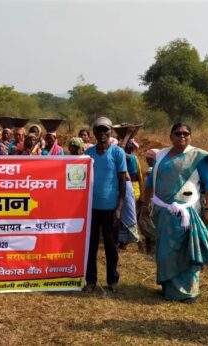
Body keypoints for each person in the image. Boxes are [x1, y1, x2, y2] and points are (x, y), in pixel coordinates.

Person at [140, 123, 208, 303]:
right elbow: (150, 183)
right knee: (165, 251)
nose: (182, 136)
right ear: (171, 136)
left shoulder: (197, 156)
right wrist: (145, 206)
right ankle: (168, 287)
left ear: (190, 136)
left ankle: (188, 293)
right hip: (163, 211)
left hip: (188, 212)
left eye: (186, 133)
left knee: (186, 250)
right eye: (178, 133)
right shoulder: (161, 155)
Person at [83, 117, 127, 293]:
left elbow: (122, 180)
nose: (102, 134)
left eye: (105, 130)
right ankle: (91, 280)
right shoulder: (89, 154)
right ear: (94, 133)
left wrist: (119, 207)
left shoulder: (118, 153)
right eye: (98, 130)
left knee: (111, 246)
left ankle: (112, 280)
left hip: (110, 208)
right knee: (91, 246)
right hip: (91, 208)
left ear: (111, 132)